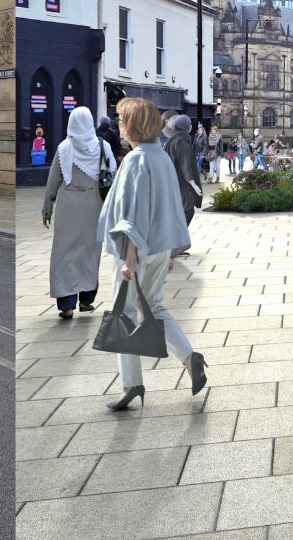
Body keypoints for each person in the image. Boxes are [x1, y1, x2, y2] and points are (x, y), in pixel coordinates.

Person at [99, 97, 208, 411]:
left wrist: (129, 258)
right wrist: (171, 251)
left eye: (121, 120)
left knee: (125, 314)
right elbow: (171, 207)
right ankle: (190, 358)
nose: (119, 125)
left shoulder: (136, 160)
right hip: (161, 247)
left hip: (136, 250)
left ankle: (132, 384)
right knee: (156, 307)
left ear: (131, 125)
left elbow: (132, 213)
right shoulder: (160, 157)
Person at [42, 107, 115, 319]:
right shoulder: (103, 147)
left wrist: (47, 209)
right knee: (89, 253)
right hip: (95, 206)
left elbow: (53, 181)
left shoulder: (64, 148)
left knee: (64, 254)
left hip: (68, 206)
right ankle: (86, 300)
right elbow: (115, 175)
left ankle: (66, 305)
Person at [162, 114, 203, 229]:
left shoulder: (172, 139)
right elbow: (185, 163)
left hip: (173, 180)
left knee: (179, 209)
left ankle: (175, 235)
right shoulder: (181, 141)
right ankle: (176, 236)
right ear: (187, 127)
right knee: (188, 209)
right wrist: (193, 183)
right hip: (182, 181)